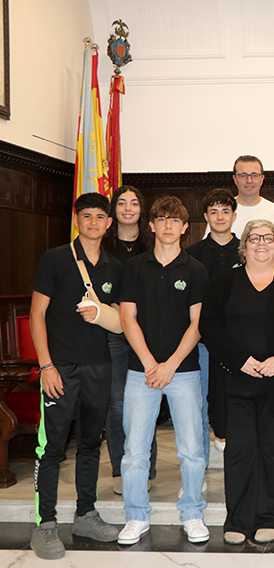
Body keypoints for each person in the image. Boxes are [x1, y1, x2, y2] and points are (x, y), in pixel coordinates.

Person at [199, 219, 274, 545]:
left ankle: (271, 518)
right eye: (255, 238)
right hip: (234, 384)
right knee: (238, 452)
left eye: (268, 238)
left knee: (272, 452)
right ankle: (238, 519)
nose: (261, 243)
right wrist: (240, 360)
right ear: (245, 245)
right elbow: (209, 325)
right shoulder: (225, 281)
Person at [29, 193, 123, 559]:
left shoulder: (115, 267)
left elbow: (118, 321)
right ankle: (45, 524)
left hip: (99, 365)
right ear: (77, 220)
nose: (94, 222)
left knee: (88, 444)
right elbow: (37, 315)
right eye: (87, 216)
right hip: (60, 366)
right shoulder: (55, 258)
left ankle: (86, 513)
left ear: (109, 223)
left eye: (101, 217)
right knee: (51, 447)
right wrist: (46, 365)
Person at [117, 196, 210, 545]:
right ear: (151, 225)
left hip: (183, 372)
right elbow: (128, 318)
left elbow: (197, 325)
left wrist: (169, 366)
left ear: (185, 229)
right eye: (161, 219)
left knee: (191, 448)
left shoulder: (196, 270)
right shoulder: (134, 268)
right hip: (140, 371)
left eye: (175, 220)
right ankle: (136, 516)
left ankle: (192, 512)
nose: (168, 225)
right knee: (135, 450)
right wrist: (149, 365)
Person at [103, 186, 158, 496]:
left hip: (146, 331)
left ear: (142, 211)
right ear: (114, 210)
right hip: (113, 332)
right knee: (118, 403)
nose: (128, 208)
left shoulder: (152, 245)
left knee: (144, 400)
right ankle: (120, 468)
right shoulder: (103, 245)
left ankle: (146, 469)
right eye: (121, 203)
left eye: (134, 203)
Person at [186, 188, 240, 484]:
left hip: (239, 345)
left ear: (234, 215)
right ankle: (199, 473)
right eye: (214, 212)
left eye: (225, 211)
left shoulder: (248, 250)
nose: (220, 217)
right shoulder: (192, 255)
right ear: (206, 217)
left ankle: (238, 471)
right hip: (203, 344)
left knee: (236, 405)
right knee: (201, 407)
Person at [205, 155, 274, 238]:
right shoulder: (222, 211)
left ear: (262, 179)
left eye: (254, 175)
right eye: (243, 176)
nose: (249, 181)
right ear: (235, 179)